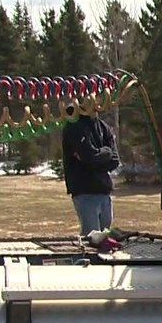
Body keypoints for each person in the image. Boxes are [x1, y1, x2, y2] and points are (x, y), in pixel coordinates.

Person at [61, 100, 120, 237]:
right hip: (84, 190)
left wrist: (100, 156)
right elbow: (89, 156)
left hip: (104, 190)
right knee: (92, 236)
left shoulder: (103, 127)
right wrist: (105, 153)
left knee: (105, 236)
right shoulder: (74, 127)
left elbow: (115, 160)